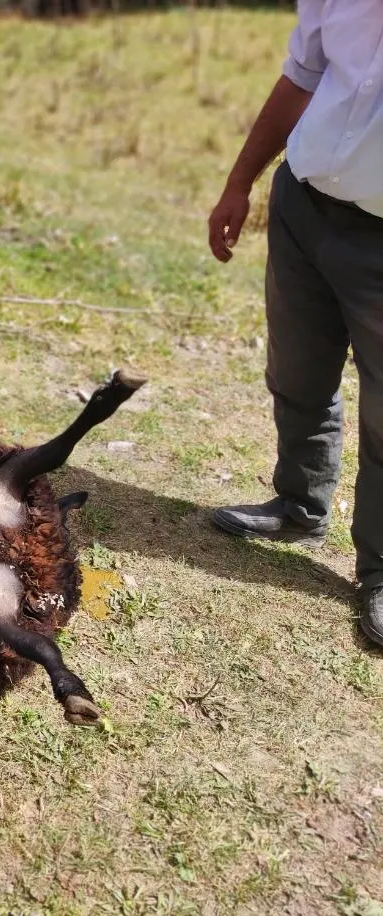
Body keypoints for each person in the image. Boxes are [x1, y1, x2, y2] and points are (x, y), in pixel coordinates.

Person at [206, 1, 383, 647]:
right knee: (298, 371)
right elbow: (301, 77)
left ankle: (380, 569)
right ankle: (298, 507)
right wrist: (239, 182)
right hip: (302, 207)